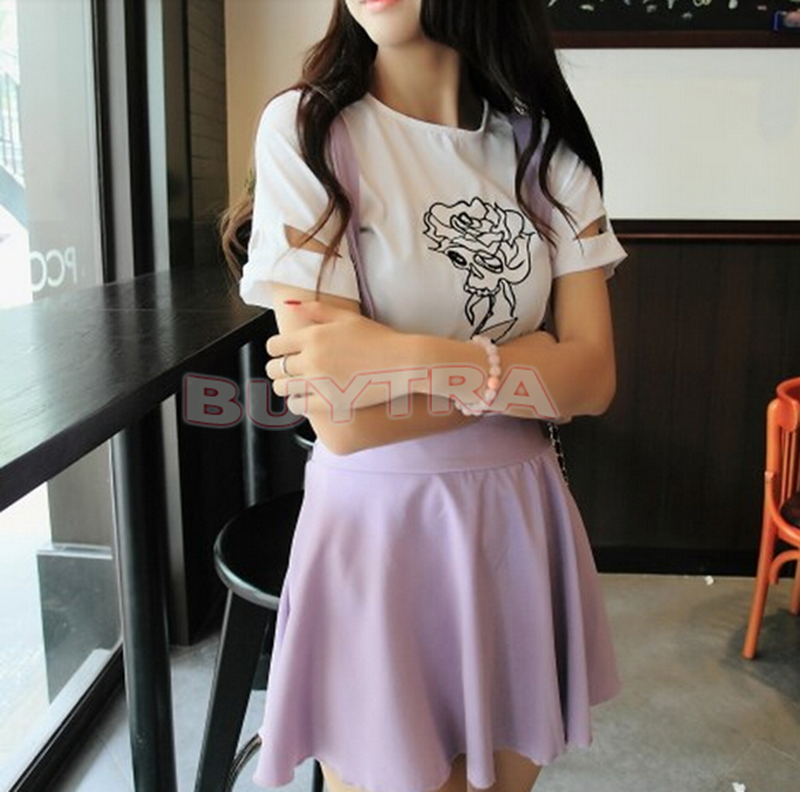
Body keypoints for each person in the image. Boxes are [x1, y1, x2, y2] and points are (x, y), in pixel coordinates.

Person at [221, 2, 626, 792]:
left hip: (516, 526)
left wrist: (403, 357)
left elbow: (594, 379)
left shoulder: (545, 150)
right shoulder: (307, 132)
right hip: (378, 537)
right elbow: (344, 419)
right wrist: (527, 368)